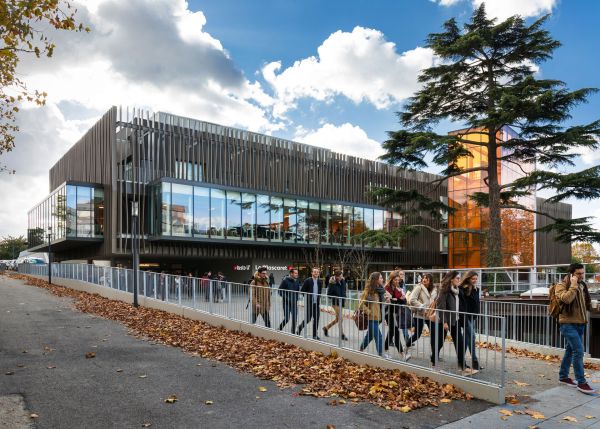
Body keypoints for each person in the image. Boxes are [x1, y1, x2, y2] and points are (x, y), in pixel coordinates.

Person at [555, 263, 594, 394]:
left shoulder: (582, 285)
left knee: (570, 351)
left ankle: (563, 377)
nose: (581, 276)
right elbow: (566, 299)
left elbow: (585, 305)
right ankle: (581, 382)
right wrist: (573, 285)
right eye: (578, 273)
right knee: (579, 351)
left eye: (582, 273)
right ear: (571, 274)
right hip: (568, 324)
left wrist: (595, 307)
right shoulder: (561, 285)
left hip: (580, 324)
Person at [433, 271, 466, 372]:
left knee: (459, 343)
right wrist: (444, 322)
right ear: (451, 279)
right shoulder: (444, 290)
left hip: (455, 320)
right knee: (439, 342)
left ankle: (462, 365)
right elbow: (440, 306)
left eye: (459, 278)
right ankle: (434, 363)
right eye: (457, 278)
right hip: (444, 321)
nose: (459, 280)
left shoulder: (457, 290)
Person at [358, 272, 390, 357]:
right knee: (378, 336)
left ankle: (360, 349)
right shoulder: (369, 291)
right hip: (372, 317)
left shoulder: (380, 290)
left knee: (370, 336)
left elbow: (380, 304)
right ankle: (381, 353)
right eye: (380, 278)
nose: (382, 279)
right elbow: (361, 305)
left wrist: (387, 300)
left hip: (378, 317)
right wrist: (369, 312)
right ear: (376, 280)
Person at [384, 271, 410, 361]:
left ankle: (385, 350)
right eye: (395, 280)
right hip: (389, 313)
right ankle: (402, 354)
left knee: (391, 332)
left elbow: (404, 300)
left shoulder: (397, 288)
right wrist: (398, 299)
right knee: (395, 332)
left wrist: (397, 299)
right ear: (391, 279)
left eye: (398, 280)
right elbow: (390, 301)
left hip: (396, 312)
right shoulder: (387, 288)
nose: (397, 281)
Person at [459, 270, 482, 371]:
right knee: (472, 336)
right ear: (468, 278)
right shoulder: (463, 289)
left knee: (466, 339)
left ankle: (461, 361)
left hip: (472, 316)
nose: (475, 280)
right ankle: (475, 361)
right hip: (465, 316)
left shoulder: (477, 289)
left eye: (476, 279)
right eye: (473, 279)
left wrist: (476, 314)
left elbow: (476, 303)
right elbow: (462, 304)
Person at [405, 273, 435, 349]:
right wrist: (421, 307)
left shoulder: (433, 289)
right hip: (419, 314)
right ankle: (406, 346)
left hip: (429, 314)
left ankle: (434, 353)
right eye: (423, 278)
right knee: (417, 335)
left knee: (434, 334)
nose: (424, 279)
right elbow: (412, 299)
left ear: (430, 280)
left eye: (426, 278)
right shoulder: (419, 287)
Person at [297, 267, 323, 340]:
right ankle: (299, 328)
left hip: (316, 303)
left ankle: (314, 335)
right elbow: (302, 291)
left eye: (317, 272)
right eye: (314, 272)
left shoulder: (320, 282)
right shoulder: (308, 281)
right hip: (309, 303)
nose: (316, 273)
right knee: (308, 318)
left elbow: (319, 292)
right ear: (311, 273)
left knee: (316, 319)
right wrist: (308, 298)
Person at [323, 270, 348, 341]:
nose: (342, 277)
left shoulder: (343, 281)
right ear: (336, 277)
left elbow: (344, 291)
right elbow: (329, 295)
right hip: (335, 303)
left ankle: (326, 328)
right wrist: (337, 297)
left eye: (342, 276)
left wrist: (344, 297)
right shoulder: (332, 283)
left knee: (338, 319)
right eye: (340, 276)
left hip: (341, 303)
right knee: (340, 318)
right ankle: (342, 334)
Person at [278, 268, 300, 333]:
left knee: (294, 319)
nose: (297, 274)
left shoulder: (297, 281)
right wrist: (287, 298)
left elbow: (297, 291)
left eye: (297, 273)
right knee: (287, 318)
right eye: (295, 273)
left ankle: (292, 333)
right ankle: (279, 328)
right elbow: (279, 291)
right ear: (291, 273)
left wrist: (296, 298)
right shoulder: (285, 280)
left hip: (294, 303)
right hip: (286, 303)